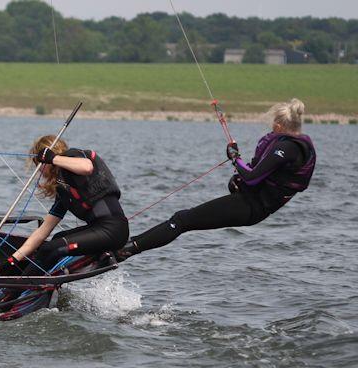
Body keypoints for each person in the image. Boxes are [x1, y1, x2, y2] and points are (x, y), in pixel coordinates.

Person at [117, 98, 316, 260]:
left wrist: (235, 158)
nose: (271, 129)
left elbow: (254, 178)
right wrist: (238, 176)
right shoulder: (296, 145)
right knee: (182, 219)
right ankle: (127, 248)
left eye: (273, 126)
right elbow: (261, 177)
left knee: (181, 220)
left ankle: (126, 250)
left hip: (250, 207)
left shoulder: (288, 148)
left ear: (279, 125)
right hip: (250, 205)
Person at [0, 135, 129, 277]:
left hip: (113, 230)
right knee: (57, 238)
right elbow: (42, 231)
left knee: (50, 249)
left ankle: (20, 286)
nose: (38, 169)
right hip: (100, 229)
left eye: (37, 162)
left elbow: (87, 167)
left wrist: (53, 158)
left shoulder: (74, 157)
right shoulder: (63, 190)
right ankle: (31, 277)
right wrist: (13, 260)